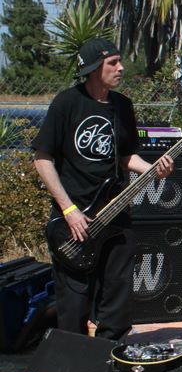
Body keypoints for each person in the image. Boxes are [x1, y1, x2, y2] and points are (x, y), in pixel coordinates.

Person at [32, 38, 174, 340]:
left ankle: (110, 353)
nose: (121, 68)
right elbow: (42, 159)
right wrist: (69, 210)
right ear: (95, 68)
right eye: (113, 63)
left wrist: (153, 170)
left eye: (120, 61)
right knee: (74, 301)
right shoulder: (67, 103)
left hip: (115, 212)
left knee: (118, 291)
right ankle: (73, 356)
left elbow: (125, 157)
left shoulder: (122, 106)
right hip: (75, 215)